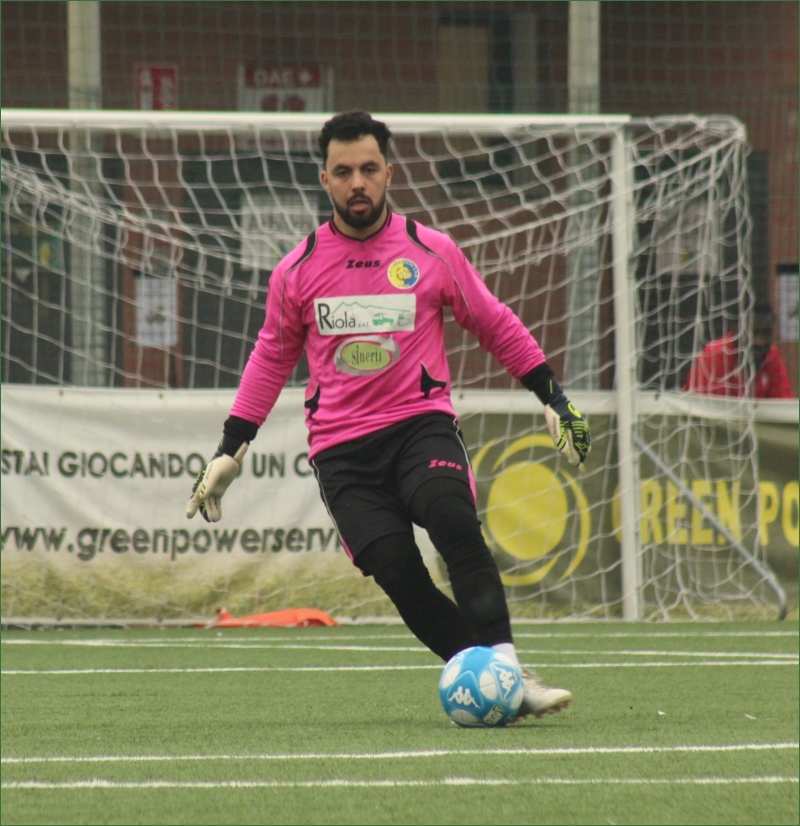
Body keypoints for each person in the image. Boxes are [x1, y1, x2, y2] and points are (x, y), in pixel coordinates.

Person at [186, 111, 591, 722]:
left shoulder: (433, 251)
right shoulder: (295, 271)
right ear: (325, 179)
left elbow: (493, 322)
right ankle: (499, 682)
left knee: (453, 520)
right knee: (399, 573)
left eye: (369, 169)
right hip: (342, 453)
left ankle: (508, 670)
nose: (358, 182)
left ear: (389, 173)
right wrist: (229, 449)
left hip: (419, 426)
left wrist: (553, 397)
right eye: (344, 171)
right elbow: (270, 358)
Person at [683, 302, 792, 399]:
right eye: (752, 333)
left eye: (766, 333)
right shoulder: (714, 354)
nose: (760, 342)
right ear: (735, 330)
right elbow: (708, 409)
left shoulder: (771, 355)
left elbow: (782, 403)